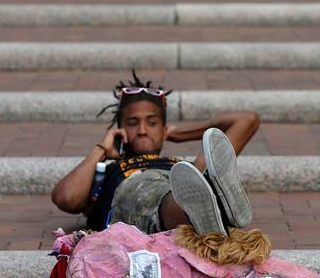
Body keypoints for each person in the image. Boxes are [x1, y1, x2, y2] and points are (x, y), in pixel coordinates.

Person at [51, 71, 260, 236]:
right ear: (119, 128)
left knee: (190, 182)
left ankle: (211, 208)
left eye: (152, 123)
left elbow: (247, 120)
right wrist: (102, 149)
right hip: (132, 190)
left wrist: (179, 134)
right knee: (166, 195)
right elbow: (66, 197)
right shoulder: (109, 169)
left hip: (180, 181)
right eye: (133, 123)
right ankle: (216, 210)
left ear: (164, 129)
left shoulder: (183, 169)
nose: (142, 130)